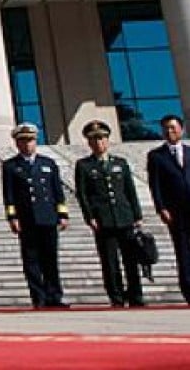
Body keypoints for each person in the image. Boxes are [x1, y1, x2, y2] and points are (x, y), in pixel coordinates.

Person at [74, 119, 144, 307]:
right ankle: (116, 296)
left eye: (102, 139)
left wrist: (137, 215)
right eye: (94, 140)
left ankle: (136, 295)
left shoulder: (120, 163)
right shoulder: (84, 166)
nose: (99, 143)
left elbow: (129, 191)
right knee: (110, 262)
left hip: (124, 217)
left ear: (108, 140)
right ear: (89, 143)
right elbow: (83, 194)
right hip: (103, 219)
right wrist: (90, 217)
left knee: (131, 260)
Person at [1, 122, 69, 309]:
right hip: (26, 219)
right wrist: (12, 218)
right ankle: (38, 297)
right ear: (17, 143)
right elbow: (9, 195)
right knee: (31, 260)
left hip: (47, 217)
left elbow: (57, 191)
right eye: (23, 141)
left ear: (35, 141)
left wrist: (62, 214)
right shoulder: (10, 166)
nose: (27, 144)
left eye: (30, 140)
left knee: (50, 259)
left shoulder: (48, 163)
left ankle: (54, 296)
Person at [147, 114, 190, 305]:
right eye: (166, 128)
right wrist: (161, 207)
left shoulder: (189, 151)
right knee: (183, 251)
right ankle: (188, 288)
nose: (169, 131)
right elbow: (154, 184)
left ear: (182, 129)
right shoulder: (156, 156)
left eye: (173, 127)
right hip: (176, 212)